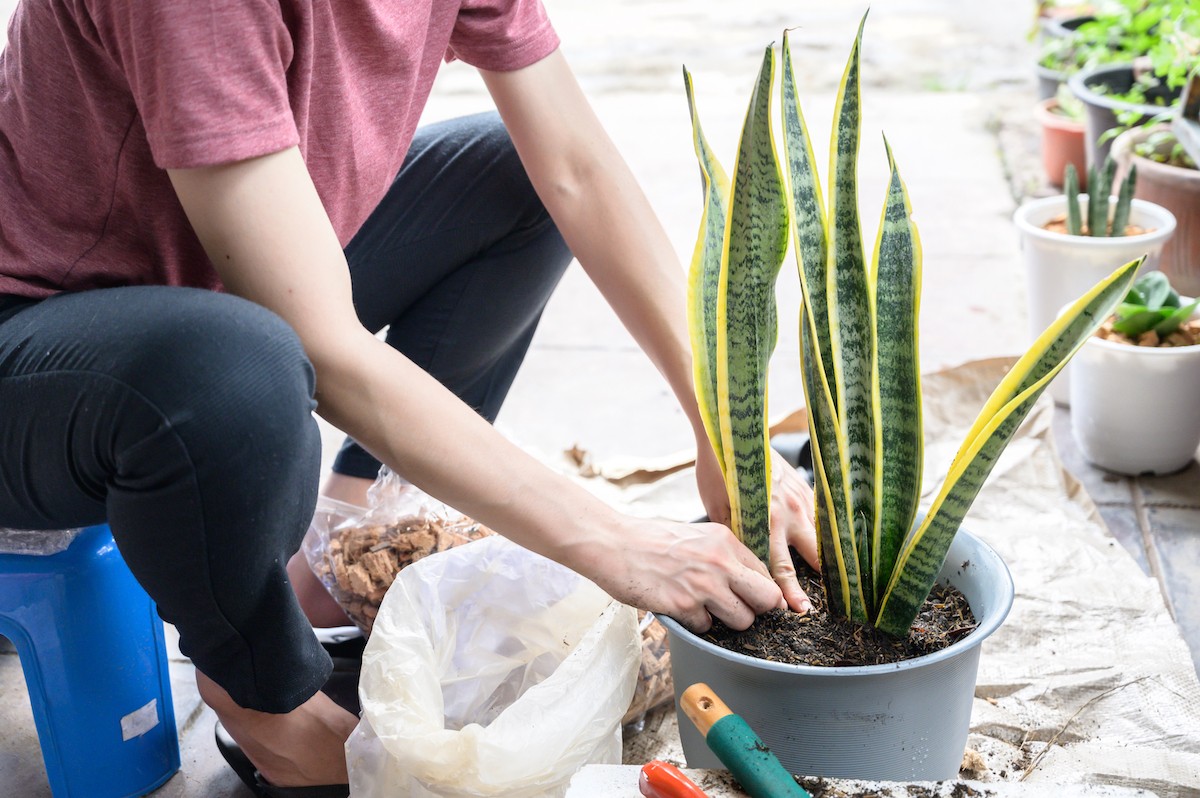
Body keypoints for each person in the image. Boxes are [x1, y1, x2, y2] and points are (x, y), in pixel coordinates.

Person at [0, 0, 817, 794]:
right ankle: (263, 696)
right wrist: (617, 543)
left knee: (513, 174)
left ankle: (338, 547)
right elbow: (320, 339)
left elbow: (573, 168)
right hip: (42, 341)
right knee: (236, 370)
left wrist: (726, 430)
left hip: (226, 273)